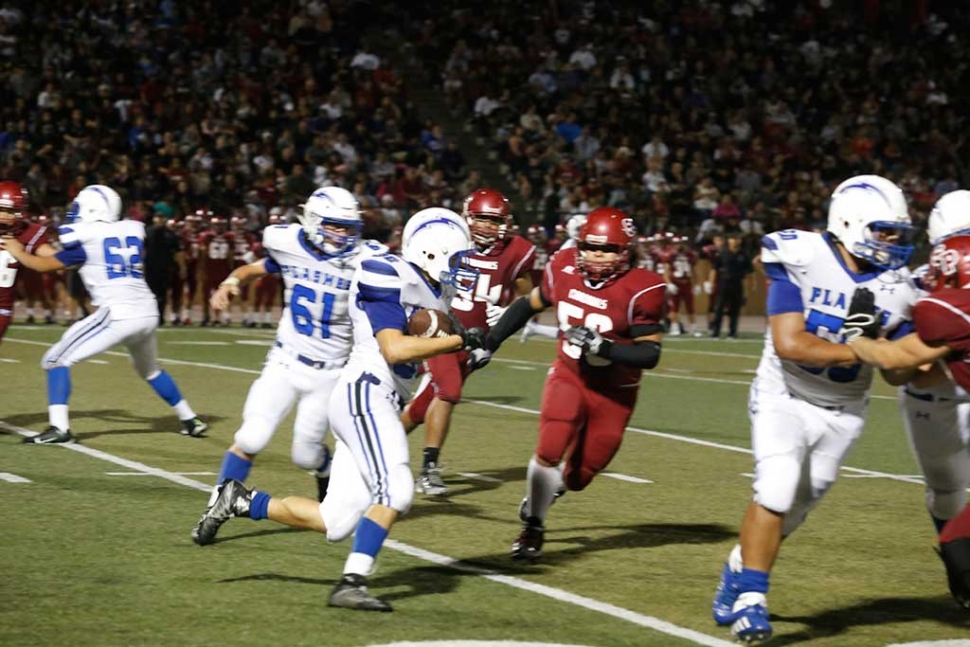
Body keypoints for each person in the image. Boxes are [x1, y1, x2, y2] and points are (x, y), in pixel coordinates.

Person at [193, 207, 486, 611]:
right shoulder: (387, 273)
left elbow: (447, 334)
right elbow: (394, 348)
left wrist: (477, 338)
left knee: (337, 521)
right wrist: (457, 342)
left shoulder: (434, 288)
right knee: (397, 487)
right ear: (432, 252)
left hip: (377, 399)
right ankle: (351, 583)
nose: (462, 267)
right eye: (456, 257)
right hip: (365, 393)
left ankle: (240, 500)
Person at [711, 175, 920, 643]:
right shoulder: (801, 255)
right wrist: (867, 349)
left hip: (844, 411)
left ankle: (739, 569)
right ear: (850, 222)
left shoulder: (899, 286)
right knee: (777, 486)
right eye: (883, 231)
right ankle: (753, 601)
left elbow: (899, 372)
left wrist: (927, 353)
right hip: (783, 393)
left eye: (896, 233)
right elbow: (789, 344)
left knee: (796, 510)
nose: (893, 243)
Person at [191, 187, 387, 545]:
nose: (343, 234)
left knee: (305, 454)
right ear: (313, 222)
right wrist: (231, 281)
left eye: (348, 227)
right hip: (285, 361)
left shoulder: (365, 258)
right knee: (251, 436)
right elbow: (255, 268)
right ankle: (215, 506)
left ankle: (324, 473)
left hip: (330, 371)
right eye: (335, 226)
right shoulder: (289, 243)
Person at [483, 206, 666, 561]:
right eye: (590, 246)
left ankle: (551, 491)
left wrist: (606, 348)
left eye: (608, 249)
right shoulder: (563, 266)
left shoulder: (642, 288)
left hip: (615, 391)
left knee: (581, 475)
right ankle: (533, 527)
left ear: (625, 251)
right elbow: (529, 304)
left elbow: (651, 354)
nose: (597, 255)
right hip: (570, 373)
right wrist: (491, 342)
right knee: (550, 445)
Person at [1, 185, 207, 444]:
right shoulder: (128, 230)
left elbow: (45, 265)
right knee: (150, 370)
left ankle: (60, 428)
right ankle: (190, 419)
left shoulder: (86, 237)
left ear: (90, 209)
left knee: (54, 359)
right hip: (147, 311)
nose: (74, 213)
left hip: (118, 314)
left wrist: (19, 251)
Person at [847, 231, 970, 611]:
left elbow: (897, 362)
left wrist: (857, 335)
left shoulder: (955, 309)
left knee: (959, 549)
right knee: (957, 542)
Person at [401, 188, 535, 495]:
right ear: (468, 218)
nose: (488, 227)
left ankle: (372, 451)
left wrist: (507, 312)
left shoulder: (516, 251)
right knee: (449, 391)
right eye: (483, 219)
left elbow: (528, 295)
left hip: (475, 340)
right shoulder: (447, 238)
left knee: (423, 408)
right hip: (442, 327)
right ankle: (429, 469)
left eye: (495, 221)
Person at [0, 181, 55, 343]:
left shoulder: (28, 234)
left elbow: (52, 256)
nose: (3, 215)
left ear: (20, 212)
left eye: (9, 211)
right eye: (0, 209)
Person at [709, 232, 753, 339]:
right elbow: (714, 269)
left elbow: (749, 272)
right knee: (719, 308)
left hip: (737, 283)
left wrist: (750, 285)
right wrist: (710, 283)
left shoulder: (744, 254)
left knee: (735, 309)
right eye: (733, 239)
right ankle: (716, 331)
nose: (736, 241)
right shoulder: (722, 253)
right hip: (724, 283)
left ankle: (732, 332)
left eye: (738, 239)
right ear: (728, 240)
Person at [144, 209, 183, 324]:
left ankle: (160, 317)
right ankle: (150, 316)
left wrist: (182, 267)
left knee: (163, 294)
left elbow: (178, 252)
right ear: (154, 219)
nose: (160, 220)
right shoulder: (147, 232)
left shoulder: (171, 234)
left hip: (166, 267)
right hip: (150, 267)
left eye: (162, 217)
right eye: (158, 217)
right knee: (150, 293)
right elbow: (142, 250)